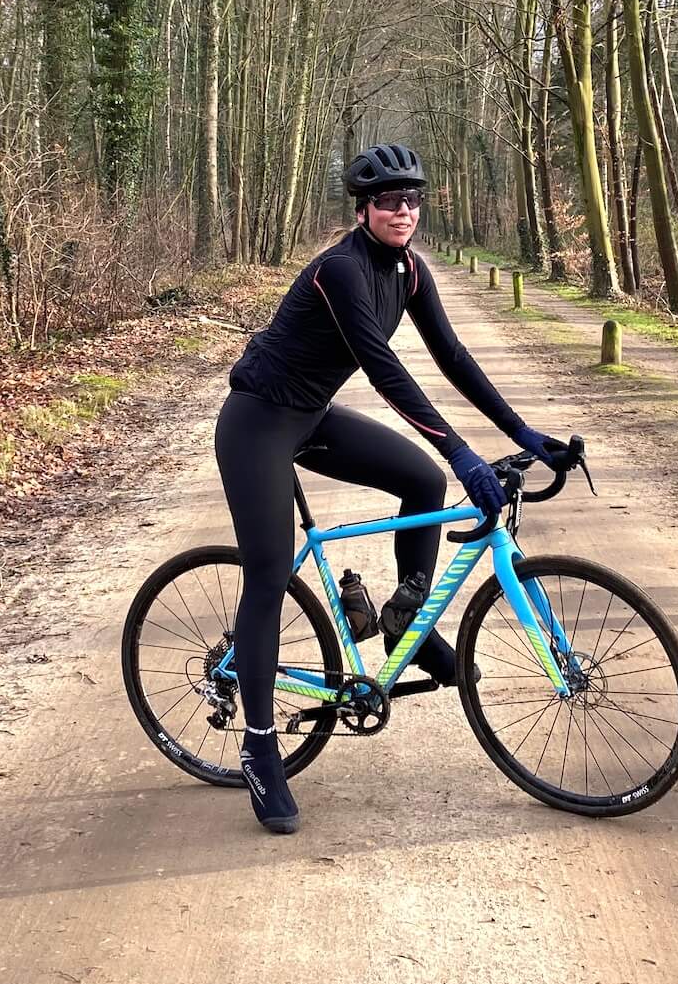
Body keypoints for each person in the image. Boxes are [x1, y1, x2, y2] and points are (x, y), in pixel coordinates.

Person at [215, 143, 568, 834]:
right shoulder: (340, 272)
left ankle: (409, 618)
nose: (401, 212)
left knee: (421, 479)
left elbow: (453, 357)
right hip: (257, 420)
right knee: (265, 576)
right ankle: (260, 748)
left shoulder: (408, 270)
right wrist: (465, 450)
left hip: (311, 415)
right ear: (363, 209)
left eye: (411, 200)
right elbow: (385, 372)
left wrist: (524, 433)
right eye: (387, 202)